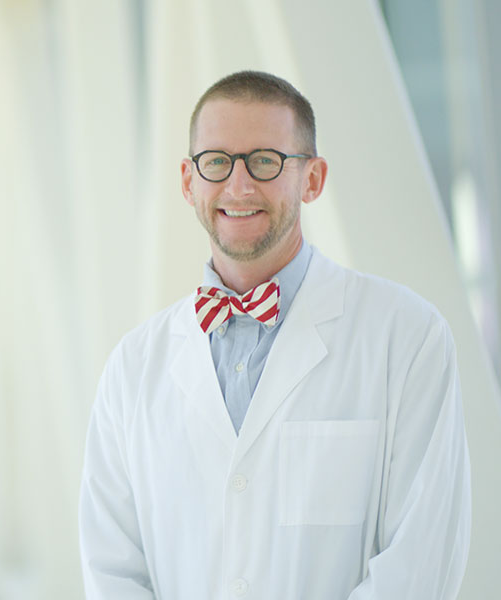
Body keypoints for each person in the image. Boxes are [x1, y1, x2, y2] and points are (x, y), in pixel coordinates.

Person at [79, 71, 471, 600]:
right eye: (216, 161)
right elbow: (111, 569)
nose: (238, 186)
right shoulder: (131, 367)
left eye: (265, 161)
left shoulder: (407, 337)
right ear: (188, 180)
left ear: (312, 179)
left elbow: (420, 564)